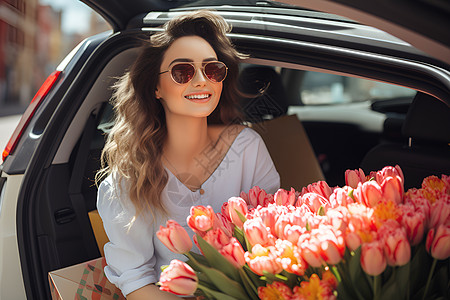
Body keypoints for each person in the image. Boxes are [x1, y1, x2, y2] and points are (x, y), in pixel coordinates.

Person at [96, 10, 280, 299]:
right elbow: (136, 282)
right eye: (182, 71)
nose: (201, 81)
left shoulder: (248, 147)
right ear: (156, 87)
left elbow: (273, 240)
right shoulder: (129, 177)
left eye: (212, 70)